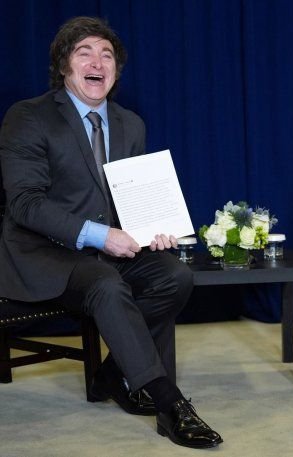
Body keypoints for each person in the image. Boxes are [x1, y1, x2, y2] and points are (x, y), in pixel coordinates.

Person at [0, 16, 222, 448]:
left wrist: (152, 230)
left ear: (116, 71)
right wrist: (102, 236)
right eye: (84, 53)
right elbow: (25, 204)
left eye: (107, 56)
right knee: (105, 282)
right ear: (63, 65)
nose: (97, 63)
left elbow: (129, 199)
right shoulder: (28, 117)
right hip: (43, 253)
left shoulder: (130, 124)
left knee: (174, 275)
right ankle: (170, 403)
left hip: (105, 252)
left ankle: (110, 375)